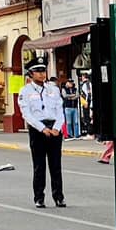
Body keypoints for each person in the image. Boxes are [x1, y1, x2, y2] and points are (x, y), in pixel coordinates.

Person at [17, 58, 66, 208]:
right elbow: (27, 114)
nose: (41, 74)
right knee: (39, 166)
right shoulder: (25, 91)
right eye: (38, 71)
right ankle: (39, 197)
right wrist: (42, 128)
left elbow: (60, 110)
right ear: (30, 74)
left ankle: (59, 196)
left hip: (54, 129)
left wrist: (57, 127)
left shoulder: (54, 89)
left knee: (56, 165)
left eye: (43, 70)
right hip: (38, 130)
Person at [58, 68, 81, 137]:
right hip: (67, 107)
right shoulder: (64, 89)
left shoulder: (75, 89)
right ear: (67, 83)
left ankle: (76, 134)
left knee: (76, 122)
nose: (71, 84)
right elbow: (65, 96)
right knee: (69, 122)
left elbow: (77, 95)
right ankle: (69, 134)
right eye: (69, 82)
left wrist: (70, 97)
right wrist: (72, 96)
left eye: (71, 82)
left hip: (74, 107)